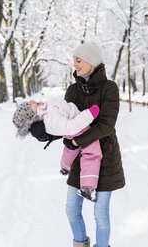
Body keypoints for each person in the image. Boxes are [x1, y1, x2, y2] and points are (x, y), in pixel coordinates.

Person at [30, 42, 125, 247]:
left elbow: (107, 125)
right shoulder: (73, 90)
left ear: (91, 61)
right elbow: (64, 122)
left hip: (105, 158)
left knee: (101, 216)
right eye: (74, 60)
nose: (75, 64)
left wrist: (76, 141)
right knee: (71, 211)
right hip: (80, 160)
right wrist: (45, 133)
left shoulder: (109, 88)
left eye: (78, 60)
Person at [12, 99, 102, 201]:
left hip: (74, 122)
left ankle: (64, 167)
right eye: (29, 106)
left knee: (70, 149)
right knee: (92, 153)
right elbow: (70, 127)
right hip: (78, 127)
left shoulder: (45, 110)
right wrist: (89, 115)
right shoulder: (48, 120)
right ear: (32, 116)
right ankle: (87, 187)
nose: (32, 101)